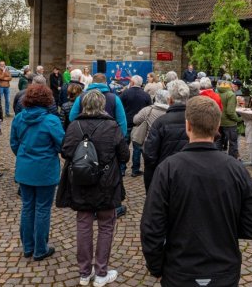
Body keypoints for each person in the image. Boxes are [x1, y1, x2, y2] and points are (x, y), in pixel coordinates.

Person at [141, 96, 252, 286]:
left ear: (188, 126)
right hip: (222, 269)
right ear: (217, 127)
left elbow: (152, 227)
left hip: (181, 270)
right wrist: (226, 229)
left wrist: (156, 267)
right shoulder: (235, 168)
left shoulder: (168, 168)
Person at [56, 90, 128, 286]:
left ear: (83, 105)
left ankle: (84, 273)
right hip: (106, 182)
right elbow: (124, 155)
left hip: (81, 181)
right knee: (106, 225)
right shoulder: (112, 126)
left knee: (83, 225)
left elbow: (66, 151)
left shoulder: (74, 125)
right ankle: (101, 272)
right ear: (102, 105)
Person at [10, 85, 65, 261]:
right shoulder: (51, 120)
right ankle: (40, 248)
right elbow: (61, 145)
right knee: (42, 209)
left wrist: (25, 156)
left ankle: (28, 246)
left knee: (27, 207)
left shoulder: (19, 118)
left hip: (25, 169)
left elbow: (14, 144)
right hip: (45, 170)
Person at [142, 80, 191, 191]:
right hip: (190, 174)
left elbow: (150, 155)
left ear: (170, 100)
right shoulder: (194, 120)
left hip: (166, 173)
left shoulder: (160, 122)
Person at [68, 73, 128, 137]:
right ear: (105, 83)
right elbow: (122, 122)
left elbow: (72, 118)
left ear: (92, 82)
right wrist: (120, 138)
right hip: (108, 136)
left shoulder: (81, 97)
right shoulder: (115, 98)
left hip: (85, 137)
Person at [131, 90, 169, 177]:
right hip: (165, 143)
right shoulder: (170, 111)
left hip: (148, 143)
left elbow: (135, 120)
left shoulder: (147, 110)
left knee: (149, 166)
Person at [120, 75, 152, 177]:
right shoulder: (146, 95)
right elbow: (149, 109)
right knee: (137, 148)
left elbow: (120, 108)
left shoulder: (125, 93)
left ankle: (122, 169)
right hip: (139, 125)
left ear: (132, 82)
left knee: (124, 146)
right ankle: (135, 170)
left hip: (127, 123)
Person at [217, 80, 242, 158]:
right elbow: (230, 112)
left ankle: (217, 159)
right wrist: (238, 119)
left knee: (218, 141)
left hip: (219, 121)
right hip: (229, 123)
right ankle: (232, 160)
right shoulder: (231, 94)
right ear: (235, 86)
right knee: (232, 142)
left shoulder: (217, 92)